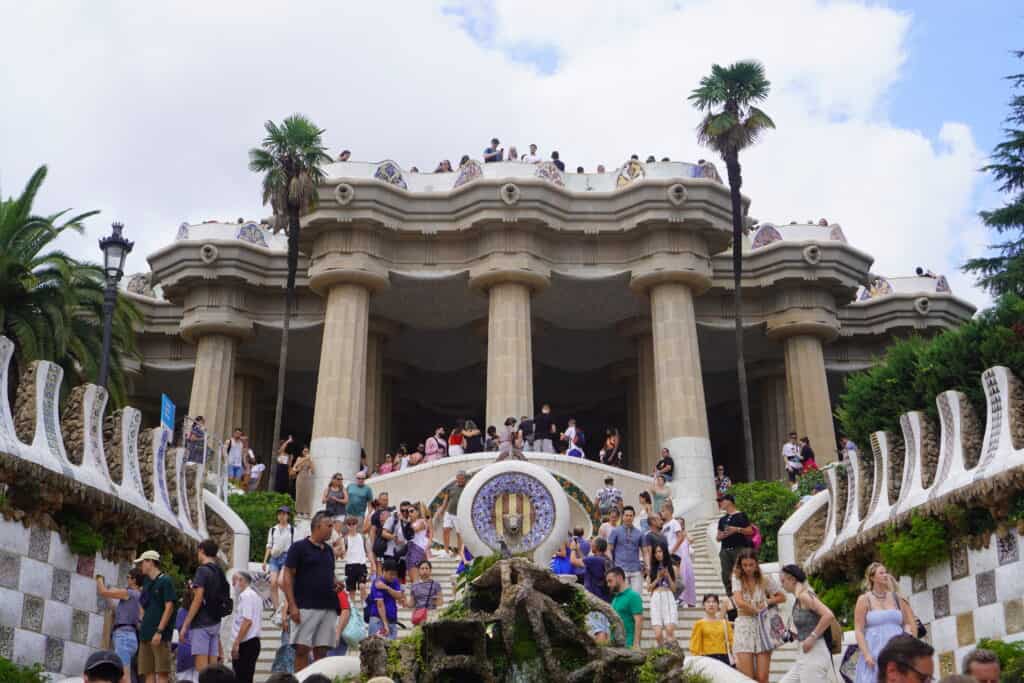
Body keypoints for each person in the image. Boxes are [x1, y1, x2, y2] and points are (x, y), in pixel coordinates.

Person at [282, 511, 339, 670]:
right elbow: (287, 575)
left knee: (322, 650)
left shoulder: (328, 550)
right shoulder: (298, 547)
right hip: (305, 605)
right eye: (329, 526)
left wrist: (336, 582)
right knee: (302, 649)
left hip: (328, 605)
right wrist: (292, 605)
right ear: (317, 526)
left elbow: (329, 572)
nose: (331, 529)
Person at [854, 563, 918, 683]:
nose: (885, 575)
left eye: (886, 572)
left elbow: (908, 622)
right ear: (872, 578)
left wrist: (909, 639)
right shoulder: (864, 599)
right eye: (881, 573)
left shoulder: (896, 597)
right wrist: (867, 654)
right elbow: (858, 630)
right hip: (875, 650)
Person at [732, 548, 785, 683]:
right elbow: (739, 601)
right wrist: (756, 609)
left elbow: (781, 597)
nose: (748, 568)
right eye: (745, 565)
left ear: (756, 564)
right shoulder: (736, 578)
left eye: (751, 565)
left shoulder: (765, 579)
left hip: (763, 626)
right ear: (740, 565)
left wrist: (767, 601)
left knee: (762, 677)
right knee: (747, 678)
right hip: (744, 626)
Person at [778, 564, 838, 682]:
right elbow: (809, 623)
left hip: (814, 653)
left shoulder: (804, 596)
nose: (782, 585)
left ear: (792, 579)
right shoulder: (799, 598)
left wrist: (812, 637)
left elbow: (828, 615)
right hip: (804, 654)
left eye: (783, 581)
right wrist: (793, 635)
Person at [180, 540, 228, 673]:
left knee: (202, 670)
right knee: (212, 670)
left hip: (201, 623)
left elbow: (198, 599)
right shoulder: (219, 571)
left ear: (201, 550)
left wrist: (185, 625)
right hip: (215, 622)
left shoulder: (202, 570)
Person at [134, 550, 176, 683]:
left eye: (142, 563)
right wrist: (141, 620)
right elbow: (143, 603)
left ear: (150, 562)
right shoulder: (146, 582)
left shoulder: (166, 581)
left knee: (162, 672)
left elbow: (169, 607)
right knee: (148, 672)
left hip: (159, 635)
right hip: (145, 632)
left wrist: (159, 631)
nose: (140, 566)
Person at [96, 569, 144, 683]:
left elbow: (103, 592)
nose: (126, 579)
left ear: (134, 580)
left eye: (128, 577)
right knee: (122, 675)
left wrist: (99, 579)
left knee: (124, 678)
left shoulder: (129, 593)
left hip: (124, 637)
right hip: (130, 636)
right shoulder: (139, 597)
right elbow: (116, 610)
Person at [716, 493, 753, 593]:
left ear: (729, 501)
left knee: (741, 573)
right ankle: (731, 598)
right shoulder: (722, 519)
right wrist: (725, 534)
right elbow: (718, 538)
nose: (720, 503)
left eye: (721, 501)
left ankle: (745, 595)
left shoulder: (741, 515)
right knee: (726, 576)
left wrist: (736, 529)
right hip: (725, 550)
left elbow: (750, 531)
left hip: (739, 549)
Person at [229, 571, 262, 683]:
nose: (233, 585)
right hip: (252, 642)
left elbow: (247, 621)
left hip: (245, 643)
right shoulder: (255, 596)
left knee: (240, 678)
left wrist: (236, 643)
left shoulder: (246, 596)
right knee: (246, 678)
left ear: (242, 580)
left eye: (234, 581)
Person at [263, 506, 294, 619]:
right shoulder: (273, 529)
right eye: (280, 513)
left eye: (284, 514)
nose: (282, 516)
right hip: (274, 557)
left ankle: (288, 603)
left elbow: (294, 546)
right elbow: (269, 546)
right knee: (273, 582)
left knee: (281, 582)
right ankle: (276, 609)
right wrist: (264, 561)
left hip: (287, 557)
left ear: (288, 516)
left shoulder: (292, 529)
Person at [646, 542, 678, 647]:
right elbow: (649, 588)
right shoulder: (651, 569)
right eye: (656, 552)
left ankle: (673, 653)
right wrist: (658, 578)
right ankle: (662, 653)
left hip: (668, 596)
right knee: (658, 634)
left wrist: (668, 576)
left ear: (665, 552)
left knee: (669, 630)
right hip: (655, 597)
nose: (658, 554)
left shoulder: (672, 568)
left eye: (660, 551)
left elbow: (674, 589)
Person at [608, 506, 644, 594]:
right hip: (621, 569)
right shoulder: (615, 531)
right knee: (623, 596)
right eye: (626, 515)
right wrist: (612, 565)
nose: (628, 518)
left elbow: (645, 551)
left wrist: (646, 565)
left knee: (636, 596)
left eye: (631, 516)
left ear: (633, 517)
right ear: (622, 517)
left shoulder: (639, 533)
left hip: (636, 569)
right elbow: (609, 549)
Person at [689, 594, 733, 665]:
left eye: (714, 602)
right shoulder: (699, 624)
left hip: (724, 657)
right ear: (704, 605)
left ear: (718, 605)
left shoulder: (725, 623)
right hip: (707, 658)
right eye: (708, 602)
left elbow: (731, 641)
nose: (711, 604)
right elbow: (695, 646)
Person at [607, 567, 643, 649]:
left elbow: (639, 621)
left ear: (619, 578)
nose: (608, 585)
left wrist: (636, 644)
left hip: (628, 644)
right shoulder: (615, 599)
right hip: (615, 645)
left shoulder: (633, 596)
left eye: (610, 581)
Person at [369, 559, 404, 639]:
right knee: (376, 649)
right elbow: (380, 605)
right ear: (384, 571)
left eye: (395, 574)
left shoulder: (394, 581)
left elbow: (399, 596)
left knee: (391, 649)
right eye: (391, 574)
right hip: (378, 621)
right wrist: (385, 624)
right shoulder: (377, 583)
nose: (393, 576)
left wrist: (386, 588)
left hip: (392, 620)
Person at [340, 515, 370, 603]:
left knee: (362, 586)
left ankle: (364, 604)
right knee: (351, 591)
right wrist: (341, 551)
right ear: (347, 525)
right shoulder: (345, 539)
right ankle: (353, 610)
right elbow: (342, 554)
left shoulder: (362, 537)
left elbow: (368, 551)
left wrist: (373, 564)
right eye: (349, 524)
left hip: (361, 565)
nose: (352, 526)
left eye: (353, 524)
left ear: (356, 524)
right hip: (350, 566)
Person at [437, 471, 467, 557]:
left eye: (462, 478)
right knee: (446, 530)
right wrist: (442, 510)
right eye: (459, 478)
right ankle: (446, 551)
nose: (460, 480)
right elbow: (446, 500)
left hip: (459, 514)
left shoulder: (467, 487)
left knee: (459, 533)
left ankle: (460, 553)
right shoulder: (451, 488)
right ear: (456, 478)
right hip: (449, 512)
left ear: (465, 479)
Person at [573, 536, 611, 601]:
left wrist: (572, 549)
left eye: (592, 544)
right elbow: (585, 560)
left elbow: (573, 561)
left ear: (596, 547)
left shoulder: (594, 560)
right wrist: (578, 549)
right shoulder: (605, 558)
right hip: (603, 596)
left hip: (595, 596)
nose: (591, 545)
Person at [405, 503, 431, 581]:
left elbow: (415, 529)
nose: (409, 514)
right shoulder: (410, 523)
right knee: (412, 579)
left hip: (417, 549)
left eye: (412, 511)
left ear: (417, 512)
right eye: (408, 512)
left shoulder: (421, 521)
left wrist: (405, 522)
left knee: (416, 579)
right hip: (410, 549)